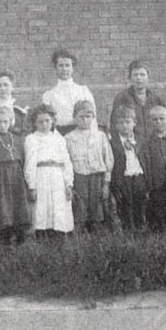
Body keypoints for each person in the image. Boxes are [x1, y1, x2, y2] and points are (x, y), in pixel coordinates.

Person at [0, 105, 31, 246]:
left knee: (18, 205)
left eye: (5, 122)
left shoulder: (17, 137)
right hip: (0, 177)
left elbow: (23, 158)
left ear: (11, 122)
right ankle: (5, 241)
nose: (2, 125)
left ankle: (21, 239)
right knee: (4, 207)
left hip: (17, 176)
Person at [24, 105, 75, 238]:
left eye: (47, 120)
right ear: (35, 123)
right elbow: (30, 163)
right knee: (42, 207)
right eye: (40, 122)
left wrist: (68, 183)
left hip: (58, 176)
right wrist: (32, 186)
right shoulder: (31, 139)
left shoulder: (59, 139)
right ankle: (42, 237)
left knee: (59, 207)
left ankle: (59, 237)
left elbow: (66, 161)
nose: (44, 124)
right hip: (41, 175)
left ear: (53, 120)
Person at [63, 99, 112, 232]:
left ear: (93, 117)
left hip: (97, 177)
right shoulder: (69, 138)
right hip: (79, 177)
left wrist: (106, 183)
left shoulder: (100, 136)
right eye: (81, 117)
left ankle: (98, 232)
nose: (85, 120)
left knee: (98, 205)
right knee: (81, 205)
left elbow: (108, 159)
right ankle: (81, 233)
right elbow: (67, 162)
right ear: (74, 118)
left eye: (88, 117)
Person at [138, 104, 166, 231]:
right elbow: (145, 163)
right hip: (155, 183)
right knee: (156, 210)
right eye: (155, 119)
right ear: (150, 121)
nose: (158, 122)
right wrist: (147, 183)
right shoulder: (147, 143)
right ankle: (157, 235)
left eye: (162, 118)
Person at [108, 105, 147, 232]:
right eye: (121, 122)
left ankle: (141, 230)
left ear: (134, 123)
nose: (125, 125)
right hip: (123, 178)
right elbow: (111, 163)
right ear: (115, 125)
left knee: (140, 205)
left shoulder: (141, 140)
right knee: (125, 206)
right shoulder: (113, 142)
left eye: (128, 122)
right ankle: (128, 232)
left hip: (139, 176)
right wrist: (114, 183)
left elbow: (145, 160)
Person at [42, 48, 94, 134]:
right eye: (61, 65)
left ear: (72, 68)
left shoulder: (83, 91)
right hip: (59, 135)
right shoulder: (49, 95)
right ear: (56, 68)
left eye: (67, 65)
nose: (64, 69)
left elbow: (92, 118)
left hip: (81, 133)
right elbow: (47, 121)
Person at [110, 60, 158, 133]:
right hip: (131, 142)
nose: (139, 78)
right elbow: (114, 125)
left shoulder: (156, 99)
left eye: (142, 74)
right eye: (135, 75)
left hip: (152, 142)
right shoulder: (122, 98)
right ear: (130, 77)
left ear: (148, 77)